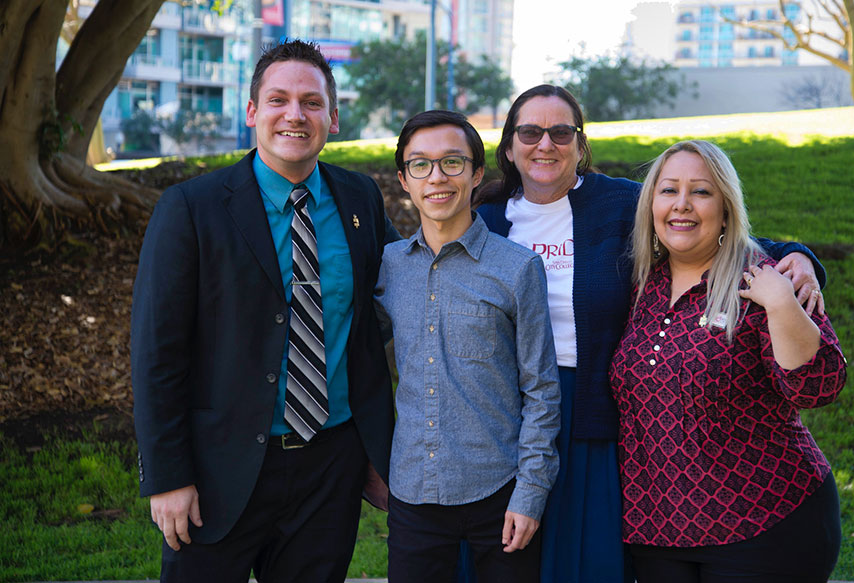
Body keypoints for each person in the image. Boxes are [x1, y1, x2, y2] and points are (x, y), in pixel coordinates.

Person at [473, 84, 827, 583]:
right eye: (530, 132)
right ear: (509, 146)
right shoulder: (486, 219)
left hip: (591, 411)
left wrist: (799, 256)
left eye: (561, 132)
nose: (545, 144)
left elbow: (701, 224)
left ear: (581, 144)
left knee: (581, 560)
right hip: (511, 417)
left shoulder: (619, 202)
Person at [131, 40, 397, 582]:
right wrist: (167, 476)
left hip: (330, 467)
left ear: (334, 117)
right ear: (252, 112)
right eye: (277, 100)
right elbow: (156, 353)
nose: (294, 115)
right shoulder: (191, 208)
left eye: (311, 102)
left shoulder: (360, 199)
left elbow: (397, 302)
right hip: (216, 472)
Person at [610, 140, 846, 582]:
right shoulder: (637, 284)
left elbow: (819, 387)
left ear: (725, 207)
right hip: (657, 532)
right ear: (650, 205)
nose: (682, 205)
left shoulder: (764, 276)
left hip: (765, 522)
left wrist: (782, 305)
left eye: (700, 191)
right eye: (668, 191)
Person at [375, 110, 560, 583]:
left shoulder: (518, 269)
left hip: (499, 491)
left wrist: (530, 493)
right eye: (420, 165)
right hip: (413, 490)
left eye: (452, 163)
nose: (437, 178)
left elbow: (541, 391)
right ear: (403, 181)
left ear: (477, 174)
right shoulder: (389, 267)